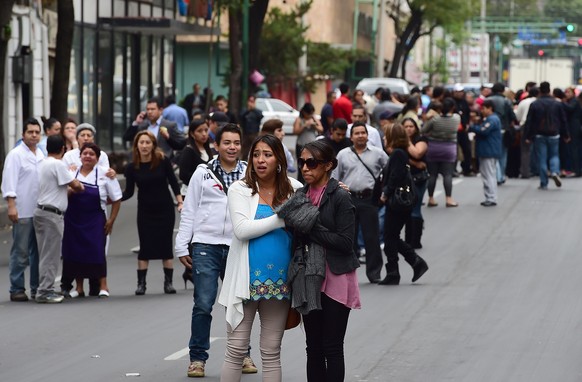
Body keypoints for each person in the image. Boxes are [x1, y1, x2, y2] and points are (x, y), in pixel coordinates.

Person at [175, 124, 258, 378]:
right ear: (216, 145)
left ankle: (243, 353)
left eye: (236, 143)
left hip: (238, 244)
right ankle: (197, 358)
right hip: (205, 245)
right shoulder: (203, 173)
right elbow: (189, 210)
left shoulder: (249, 174)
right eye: (226, 143)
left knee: (238, 303)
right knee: (203, 302)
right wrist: (181, 245)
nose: (232, 147)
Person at [218, 134, 303, 381]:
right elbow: (242, 230)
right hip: (244, 282)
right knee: (235, 350)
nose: (260, 160)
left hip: (280, 283)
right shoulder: (240, 189)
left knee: (271, 351)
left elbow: (313, 208)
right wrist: (283, 218)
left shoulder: (294, 188)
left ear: (278, 159)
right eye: (256, 154)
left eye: (267, 154)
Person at [292, 140, 361, 381]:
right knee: (313, 348)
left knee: (331, 347)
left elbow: (345, 242)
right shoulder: (300, 195)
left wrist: (310, 229)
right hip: (308, 277)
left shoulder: (340, 196)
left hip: (336, 277)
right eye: (302, 162)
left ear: (328, 165)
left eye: (311, 162)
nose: (305, 168)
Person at [122, 131, 184, 295]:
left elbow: (173, 181)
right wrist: (111, 198)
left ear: (153, 145)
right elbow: (128, 192)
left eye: (147, 142)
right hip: (145, 211)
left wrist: (179, 201)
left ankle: (168, 283)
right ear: (136, 146)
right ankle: (141, 284)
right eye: (141, 143)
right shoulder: (131, 167)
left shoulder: (162, 161)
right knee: (145, 246)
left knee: (165, 245)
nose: (144, 146)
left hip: (164, 209)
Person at [61, 143, 122, 298]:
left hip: (95, 219)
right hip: (73, 219)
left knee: (97, 251)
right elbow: (61, 194)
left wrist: (111, 220)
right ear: (80, 156)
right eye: (85, 153)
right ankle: (79, 287)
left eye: (91, 154)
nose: (88, 156)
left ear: (97, 158)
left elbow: (116, 198)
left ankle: (103, 286)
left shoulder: (105, 174)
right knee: (75, 251)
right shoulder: (71, 173)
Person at [333, 122, 388, 283]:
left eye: (363, 133)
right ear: (351, 137)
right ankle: (347, 274)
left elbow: (389, 172)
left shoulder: (378, 154)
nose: (360, 136)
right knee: (348, 239)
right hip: (348, 200)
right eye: (356, 133)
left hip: (370, 199)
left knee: (372, 238)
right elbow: (335, 177)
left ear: (367, 135)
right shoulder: (342, 155)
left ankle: (374, 273)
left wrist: (384, 193)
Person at [34, 136, 84, 303]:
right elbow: (76, 185)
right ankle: (44, 291)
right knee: (51, 254)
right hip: (51, 214)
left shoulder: (42, 163)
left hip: (42, 211)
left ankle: (43, 288)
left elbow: (59, 188)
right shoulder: (57, 164)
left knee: (45, 252)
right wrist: (78, 181)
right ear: (63, 148)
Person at [378, 123, 429, 285]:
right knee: (391, 236)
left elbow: (396, 176)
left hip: (397, 202)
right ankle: (404, 267)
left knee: (390, 236)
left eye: (387, 135)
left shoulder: (398, 154)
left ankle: (407, 265)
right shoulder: (397, 154)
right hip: (397, 202)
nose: (384, 138)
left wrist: (385, 193)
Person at [1, 118, 44, 302]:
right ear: (23, 135)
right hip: (22, 210)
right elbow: (9, 181)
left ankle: (36, 288)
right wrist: (11, 205)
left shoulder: (41, 154)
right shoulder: (15, 155)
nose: (34, 135)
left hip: (40, 211)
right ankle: (16, 288)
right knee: (21, 251)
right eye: (30, 132)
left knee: (38, 253)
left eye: (36, 132)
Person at [524, 81, 570, 190]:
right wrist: (566, 134)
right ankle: (554, 171)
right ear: (550, 90)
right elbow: (563, 120)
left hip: (540, 134)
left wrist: (528, 136)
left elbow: (529, 121)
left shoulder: (535, 104)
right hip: (554, 133)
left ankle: (544, 182)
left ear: (540, 90)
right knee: (554, 155)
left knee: (542, 158)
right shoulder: (557, 103)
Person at [421, 97, 460, 207]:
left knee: (432, 175)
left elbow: (423, 130)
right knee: (447, 174)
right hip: (449, 148)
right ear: (452, 107)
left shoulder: (435, 119)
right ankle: (448, 199)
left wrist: (428, 118)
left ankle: (431, 198)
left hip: (433, 148)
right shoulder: (456, 118)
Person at [401, 117, 428, 249]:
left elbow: (417, 153)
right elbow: (391, 152)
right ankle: (407, 240)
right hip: (403, 179)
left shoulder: (420, 140)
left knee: (415, 209)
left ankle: (415, 241)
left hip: (418, 179)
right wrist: (413, 163)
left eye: (411, 126)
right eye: (405, 127)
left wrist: (406, 141)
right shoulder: (398, 141)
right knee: (405, 209)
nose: (408, 129)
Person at [469, 100, 502, 206]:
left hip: (489, 149)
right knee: (488, 174)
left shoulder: (492, 119)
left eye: (484, 108)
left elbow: (484, 130)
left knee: (488, 175)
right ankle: (490, 196)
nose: (482, 111)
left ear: (490, 108)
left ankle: (491, 197)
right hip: (488, 149)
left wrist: (472, 127)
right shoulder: (490, 118)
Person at [487, 83, 517, 185]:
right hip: (504, 129)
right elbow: (512, 117)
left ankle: (497, 176)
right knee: (503, 154)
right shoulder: (506, 101)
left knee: (493, 154)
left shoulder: (488, 100)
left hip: (490, 129)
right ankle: (501, 175)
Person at [178, 119, 214, 196]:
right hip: (190, 193)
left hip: (206, 193)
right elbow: (183, 175)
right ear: (192, 134)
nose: (204, 134)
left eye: (206, 130)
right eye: (199, 131)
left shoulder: (208, 150)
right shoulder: (189, 150)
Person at [294, 103, 323, 183]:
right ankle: (301, 183)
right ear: (304, 112)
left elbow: (321, 129)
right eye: (308, 114)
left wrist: (314, 125)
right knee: (302, 166)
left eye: (311, 113)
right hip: (301, 145)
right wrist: (304, 125)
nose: (310, 115)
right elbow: (295, 131)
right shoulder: (299, 119)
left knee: (313, 165)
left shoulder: (314, 118)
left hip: (313, 146)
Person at [515, 87, 539, 178]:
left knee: (525, 150)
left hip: (524, 125)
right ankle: (538, 170)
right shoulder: (539, 102)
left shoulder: (523, 102)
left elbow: (518, 116)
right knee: (539, 149)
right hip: (538, 126)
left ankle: (525, 172)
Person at [452, 84, 475, 176]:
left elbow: (467, 114)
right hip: (454, 129)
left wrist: (467, 124)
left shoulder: (464, 102)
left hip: (464, 129)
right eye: (458, 92)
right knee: (454, 150)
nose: (460, 94)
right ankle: (453, 169)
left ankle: (466, 168)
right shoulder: (452, 102)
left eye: (461, 92)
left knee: (467, 149)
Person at [240, 95, 264, 161]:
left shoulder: (257, 111)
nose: (251, 103)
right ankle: (244, 161)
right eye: (250, 101)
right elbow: (241, 117)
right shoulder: (244, 111)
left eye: (252, 101)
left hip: (254, 133)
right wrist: (248, 110)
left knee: (256, 148)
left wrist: (253, 109)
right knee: (245, 149)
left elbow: (260, 116)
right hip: (246, 133)